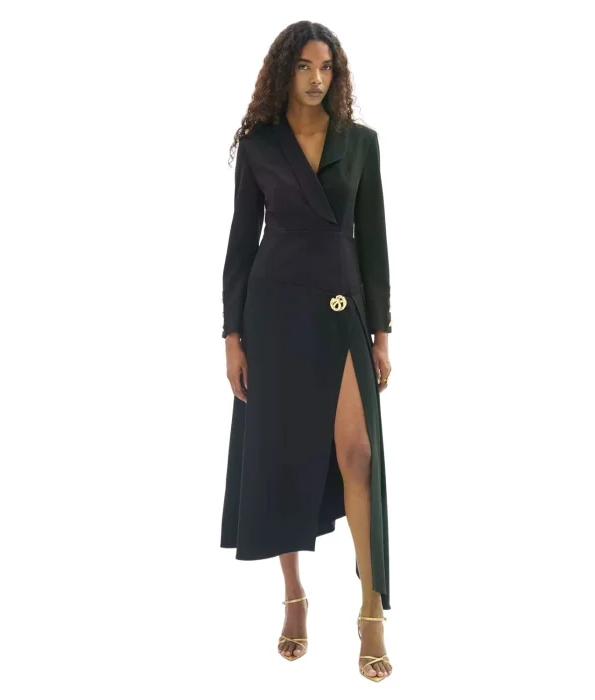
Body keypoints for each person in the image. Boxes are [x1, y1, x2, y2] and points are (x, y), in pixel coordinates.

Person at [219, 21, 393, 682]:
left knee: (358, 453)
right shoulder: (259, 145)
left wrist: (382, 333)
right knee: (283, 457)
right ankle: (294, 597)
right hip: (274, 317)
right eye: (304, 67)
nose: (317, 79)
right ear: (283, 71)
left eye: (327, 67)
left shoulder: (360, 143)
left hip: (342, 311)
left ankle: (371, 608)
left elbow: (372, 240)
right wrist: (232, 336)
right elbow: (242, 242)